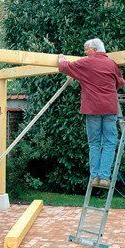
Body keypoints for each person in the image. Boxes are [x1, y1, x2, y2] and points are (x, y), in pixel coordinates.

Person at [58, 38, 125, 188]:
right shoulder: (112, 64)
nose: (84, 52)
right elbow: (120, 83)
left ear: (94, 50)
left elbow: (63, 67)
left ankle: (95, 177)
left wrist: (61, 58)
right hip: (109, 109)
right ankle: (105, 178)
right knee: (109, 143)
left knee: (94, 144)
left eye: (86, 49)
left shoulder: (86, 63)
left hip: (92, 109)